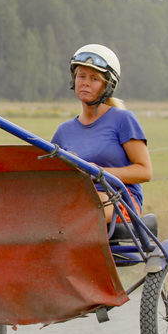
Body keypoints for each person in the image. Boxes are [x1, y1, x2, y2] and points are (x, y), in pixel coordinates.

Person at [51, 44, 152, 225]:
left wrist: (98, 172)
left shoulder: (122, 119)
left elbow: (144, 171)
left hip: (119, 200)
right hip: (79, 199)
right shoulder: (63, 131)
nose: (86, 83)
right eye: (81, 76)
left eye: (94, 78)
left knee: (86, 210)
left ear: (107, 86)